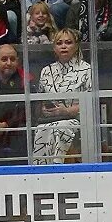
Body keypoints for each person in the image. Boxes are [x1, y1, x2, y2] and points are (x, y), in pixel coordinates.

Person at [33, 27, 93, 164]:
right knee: (40, 128)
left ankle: (57, 166)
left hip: (77, 120)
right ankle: (41, 171)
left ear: (76, 46)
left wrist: (66, 110)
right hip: (50, 119)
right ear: (54, 48)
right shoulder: (46, 70)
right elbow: (40, 100)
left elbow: (90, 103)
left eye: (68, 42)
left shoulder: (86, 69)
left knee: (60, 127)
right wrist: (44, 109)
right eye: (59, 43)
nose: (64, 46)